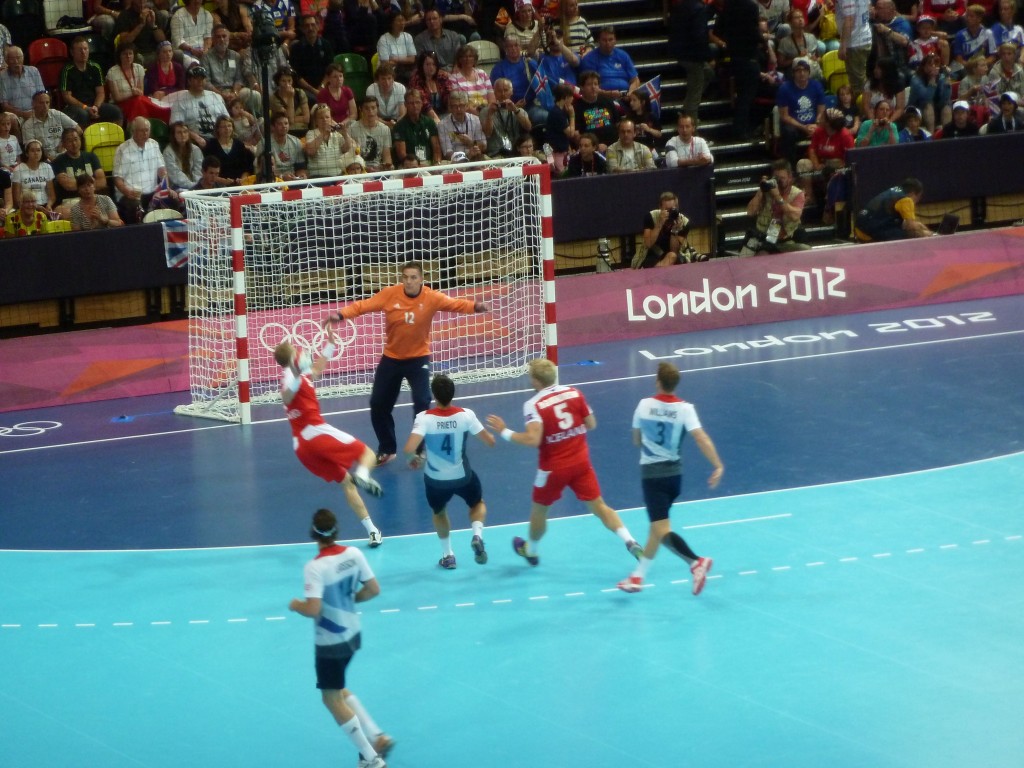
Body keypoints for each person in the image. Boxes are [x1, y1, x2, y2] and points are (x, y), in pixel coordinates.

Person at [485, 358, 643, 567]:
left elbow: (533, 439)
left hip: (552, 469)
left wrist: (505, 431)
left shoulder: (533, 405)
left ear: (535, 381)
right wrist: (569, 433)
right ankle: (630, 541)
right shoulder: (575, 393)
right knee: (601, 507)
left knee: (539, 511)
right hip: (581, 463)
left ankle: (530, 551)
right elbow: (592, 424)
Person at [329, 262, 488, 464]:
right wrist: (341, 314)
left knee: (422, 401)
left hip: (418, 359)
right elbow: (363, 306)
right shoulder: (390, 294)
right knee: (378, 404)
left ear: (421, 279)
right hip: (392, 359)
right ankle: (387, 449)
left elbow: (455, 304)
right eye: (405, 277)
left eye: (414, 277)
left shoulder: (431, 297)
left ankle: (421, 449)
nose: (409, 281)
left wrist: (476, 306)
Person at [287, 508, 392, 768]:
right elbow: (373, 589)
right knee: (339, 687)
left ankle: (371, 759)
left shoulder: (315, 567)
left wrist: (296, 605)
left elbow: (313, 609)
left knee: (330, 698)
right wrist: (350, 599)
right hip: (352, 635)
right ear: (336, 530)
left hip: (330, 643)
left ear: (314, 533)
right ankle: (377, 736)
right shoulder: (354, 554)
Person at [617, 363, 723, 595]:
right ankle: (638, 577)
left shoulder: (643, 405)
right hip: (675, 477)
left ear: (658, 381)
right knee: (657, 527)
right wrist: (717, 465)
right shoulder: (686, 409)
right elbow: (700, 437)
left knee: (662, 530)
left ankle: (696, 562)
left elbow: (636, 440)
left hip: (652, 477)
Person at [274, 325, 384, 544]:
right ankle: (363, 474)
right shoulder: (290, 377)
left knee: (347, 483)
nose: (302, 351)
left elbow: (315, 371)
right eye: (298, 350)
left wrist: (330, 345)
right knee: (368, 455)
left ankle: (372, 531)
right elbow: (286, 396)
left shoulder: (300, 374)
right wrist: (296, 374)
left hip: (302, 449)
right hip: (315, 433)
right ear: (294, 356)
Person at [402, 374, 495, 569]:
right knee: (477, 503)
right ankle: (477, 535)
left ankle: (448, 555)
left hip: (435, 480)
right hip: (462, 477)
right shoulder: (466, 415)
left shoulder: (424, 418)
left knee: (439, 512)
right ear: (452, 394)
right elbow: (490, 442)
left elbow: (409, 449)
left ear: (434, 396)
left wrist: (414, 460)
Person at [739, 158, 809, 255]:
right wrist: (761, 191)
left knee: (806, 251)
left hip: (784, 241)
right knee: (746, 257)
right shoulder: (766, 191)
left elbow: (795, 216)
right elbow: (750, 212)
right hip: (762, 238)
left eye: (782, 178)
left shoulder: (797, 193)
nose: (779, 181)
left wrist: (777, 196)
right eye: (776, 178)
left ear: (790, 177)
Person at [112, 116, 167, 222]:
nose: (145, 133)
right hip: (131, 195)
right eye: (141, 131)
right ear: (133, 131)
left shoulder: (154, 145)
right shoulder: (122, 149)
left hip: (152, 192)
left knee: (171, 200)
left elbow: (162, 170)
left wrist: (166, 188)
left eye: (147, 130)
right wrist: (127, 191)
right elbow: (117, 178)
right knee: (136, 208)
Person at [60, 37, 124, 128]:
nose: (83, 52)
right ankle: (85, 141)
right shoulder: (67, 70)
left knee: (116, 111)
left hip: (94, 104)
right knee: (83, 115)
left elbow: (101, 92)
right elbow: (67, 97)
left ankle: (117, 138)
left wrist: (96, 107)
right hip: (75, 107)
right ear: (72, 53)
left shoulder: (95, 67)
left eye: (85, 49)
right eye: (79, 50)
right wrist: (85, 107)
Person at [107, 42, 173, 125]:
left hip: (137, 100)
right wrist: (132, 93)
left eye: (130, 53)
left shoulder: (138, 68)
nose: (128, 56)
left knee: (142, 102)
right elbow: (117, 98)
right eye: (125, 54)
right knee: (138, 101)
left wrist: (136, 93)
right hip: (120, 104)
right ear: (119, 56)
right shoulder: (112, 72)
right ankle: (139, 126)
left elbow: (140, 92)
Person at [203, 25, 262, 118]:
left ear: (228, 38)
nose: (222, 39)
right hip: (216, 92)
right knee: (217, 99)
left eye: (224, 36)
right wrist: (221, 94)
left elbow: (239, 78)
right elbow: (206, 82)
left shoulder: (235, 56)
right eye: (218, 37)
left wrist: (234, 93)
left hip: (234, 91)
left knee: (255, 95)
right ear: (213, 40)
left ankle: (255, 123)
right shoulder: (206, 57)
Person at [776, 57, 827, 164]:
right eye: (798, 70)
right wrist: (803, 127)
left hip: (814, 124)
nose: (802, 73)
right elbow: (784, 116)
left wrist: (817, 124)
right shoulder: (784, 88)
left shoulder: (816, 85)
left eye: (805, 70)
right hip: (796, 126)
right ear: (793, 73)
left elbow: (821, 109)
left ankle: (824, 162)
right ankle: (791, 165)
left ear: (809, 72)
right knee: (788, 132)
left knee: (831, 123)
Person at [668, 0, 713, 121]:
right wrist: (709, 56)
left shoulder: (680, 5)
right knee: (695, 95)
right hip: (693, 56)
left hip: (680, 52)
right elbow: (699, 36)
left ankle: (685, 110)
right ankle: (692, 130)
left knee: (709, 73)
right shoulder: (699, 9)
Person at [854, 176, 935, 241]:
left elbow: (905, 223)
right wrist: (928, 234)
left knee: (901, 228)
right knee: (911, 235)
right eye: (919, 197)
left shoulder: (895, 191)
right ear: (913, 193)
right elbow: (911, 227)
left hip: (860, 227)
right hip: (868, 233)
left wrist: (919, 226)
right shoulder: (906, 200)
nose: (918, 201)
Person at [169, 66, 230, 148]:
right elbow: (176, 126)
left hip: (219, 138)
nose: (200, 81)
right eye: (196, 78)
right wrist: (195, 137)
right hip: (195, 141)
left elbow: (227, 120)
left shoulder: (215, 97)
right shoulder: (180, 101)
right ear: (189, 81)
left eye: (202, 78)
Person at [634, 190, 695, 268]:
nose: (670, 212)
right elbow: (648, 244)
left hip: (671, 254)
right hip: (652, 252)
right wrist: (659, 223)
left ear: (677, 207)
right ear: (660, 208)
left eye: (672, 209)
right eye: (667, 209)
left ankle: (656, 274)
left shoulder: (684, 222)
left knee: (672, 256)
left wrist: (675, 231)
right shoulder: (651, 217)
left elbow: (674, 250)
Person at [579, 26, 640, 102]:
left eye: (610, 39)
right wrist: (609, 93)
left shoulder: (623, 55)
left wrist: (630, 94)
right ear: (598, 41)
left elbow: (635, 80)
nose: (607, 43)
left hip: (625, 98)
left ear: (615, 40)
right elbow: (590, 88)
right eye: (604, 40)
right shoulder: (589, 59)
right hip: (602, 99)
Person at [52, 127, 107, 210]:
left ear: (80, 140)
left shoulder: (91, 157)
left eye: (76, 139)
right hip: (71, 200)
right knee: (61, 211)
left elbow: (102, 182)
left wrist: (76, 183)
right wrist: (90, 183)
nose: (74, 143)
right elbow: (69, 186)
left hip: (93, 198)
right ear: (63, 144)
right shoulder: (58, 161)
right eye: (70, 141)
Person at [21, 91, 81, 163]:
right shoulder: (28, 126)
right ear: (34, 104)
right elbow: (31, 150)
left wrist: (65, 142)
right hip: (44, 161)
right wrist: (54, 161)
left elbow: (79, 130)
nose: (45, 106)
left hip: (66, 156)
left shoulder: (56, 114)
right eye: (41, 103)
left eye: (47, 102)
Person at [481, 77, 532, 159]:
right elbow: (487, 133)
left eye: (506, 90)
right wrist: (490, 115)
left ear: (511, 92)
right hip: (496, 153)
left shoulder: (518, 110)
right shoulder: (486, 111)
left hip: (516, 152)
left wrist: (515, 110)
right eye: (499, 91)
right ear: (494, 92)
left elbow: (528, 127)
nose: (503, 94)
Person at [290, 14, 336, 102]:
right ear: (302, 29)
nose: (310, 28)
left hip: (325, 86)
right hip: (305, 89)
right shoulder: (296, 48)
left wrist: (322, 87)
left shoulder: (326, 45)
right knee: (312, 99)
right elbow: (297, 76)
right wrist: (314, 91)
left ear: (318, 26)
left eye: (313, 24)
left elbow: (330, 69)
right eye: (307, 26)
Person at [392, 89, 441, 167]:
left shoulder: (429, 122)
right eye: (411, 103)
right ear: (405, 104)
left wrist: (436, 164)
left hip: (429, 164)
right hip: (408, 165)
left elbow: (436, 148)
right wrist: (418, 166)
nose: (415, 106)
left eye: (417, 102)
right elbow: (401, 154)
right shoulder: (399, 126)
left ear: (422, 103)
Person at [835, 0, 874, 98]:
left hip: (855, 43)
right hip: (866, 38)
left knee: (858, 85)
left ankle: (863, 109)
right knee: (865, 79)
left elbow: (849, 19)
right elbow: (871, 10)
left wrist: (843, 45)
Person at [305, 102, 354, 177]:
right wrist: (324, 134)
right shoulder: (311, 133)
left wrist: (344, 134)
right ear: (316, 121)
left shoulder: (337, 134)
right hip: (318, 175)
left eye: (327, 117)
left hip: (338, 174)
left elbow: (346, 149)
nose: (324, 120)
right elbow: (310, 152)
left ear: (331, 119)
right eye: (321, 118)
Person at [203, 115, 255, 184]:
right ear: (218, 129)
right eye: (223, 127)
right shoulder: (211, 145)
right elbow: (207, 170)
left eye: (229, 126)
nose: (227, 129)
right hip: (217, 184)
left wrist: (242, 179)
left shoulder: (239, 144)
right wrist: (222, 181)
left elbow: (247, 167)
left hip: (239, 183)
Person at [0, 47, 46, 125]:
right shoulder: (2, 77)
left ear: (23, 58)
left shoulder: (33, 71)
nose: (16, 62)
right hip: (16, 115)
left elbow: (42, 96)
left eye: (18, 58)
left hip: (35, 111)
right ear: (6, 61)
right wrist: (23, 114)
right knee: (12, 120)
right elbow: (4, 105)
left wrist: (36, 111)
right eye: (12, 59)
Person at [257, 112, 309, 179]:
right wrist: (282, 177)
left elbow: (300, 167)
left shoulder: (296, 142)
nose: (284, 126)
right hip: (272, 180)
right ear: (272, 126)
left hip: (292, 179)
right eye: (280, 124)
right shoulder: (263, 143)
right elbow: (260, 171)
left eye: (286, 123)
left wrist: (301, 175)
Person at [438, 89, 486, 161]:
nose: (459, 109)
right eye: (455, 106)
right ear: (450, 108)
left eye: (462, 105)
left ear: (467, 106)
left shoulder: (475, 120)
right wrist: (465, 157)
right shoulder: (443, 124)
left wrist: (471, 143)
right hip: (455, 161)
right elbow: (447, 153)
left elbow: (484, 146)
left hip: (475, 158)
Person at [346, 99, 393, 171]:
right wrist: (365, 169)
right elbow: (350, 157)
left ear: (377, 109)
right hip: (359, 170)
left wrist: (386, 168)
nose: (370, 111)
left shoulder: (384, 129)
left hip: (378, 169)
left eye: (373, 108)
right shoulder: (352, 128)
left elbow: (387, 156)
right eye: (366, 108)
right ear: (360, 109)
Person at [12, 140, 56, 211]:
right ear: (27, 153)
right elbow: (17, 199)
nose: (36, 153)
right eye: (32, 151)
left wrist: (49, 205)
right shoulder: (18, 169)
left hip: (45, 206)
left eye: (38, 150)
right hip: (27, 207)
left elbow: (52, 196)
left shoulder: (47, 167)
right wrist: (36, 207)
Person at [408, 50, 452, 121]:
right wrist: (436, 120)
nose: (431, 67)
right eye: (428, 64)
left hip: (444, 114)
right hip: (424, 116)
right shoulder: (416, 80)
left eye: (433, 64)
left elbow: (449, 96)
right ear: (421, 65)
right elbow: (424, 103)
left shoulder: (442, 76)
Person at [163, 120, 205, 190]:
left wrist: (197, 185)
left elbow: (199, 169)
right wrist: (192, 186)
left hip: (196, 185)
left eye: (185, 132)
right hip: (176, 186)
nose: (183, 135)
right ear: (174, 135)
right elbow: (175, 174)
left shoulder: (196, 149)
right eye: (179, 132)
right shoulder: (168, 152)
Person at [377, 11, 417, 83]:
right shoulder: (383, 39)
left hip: (406, 70)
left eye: (403, 20)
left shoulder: (408, 36)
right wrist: (404, 60)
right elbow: (385, 63)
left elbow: (412, 59)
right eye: (398, 21)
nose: (402, 23)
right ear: (391, 23)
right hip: (389, 72)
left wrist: (395, 59)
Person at [365, 62, 407, 129]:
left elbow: (403, 113)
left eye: (389, 78)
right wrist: (386, 124)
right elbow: (371, 113)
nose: (387, 83)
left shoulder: (400, 88)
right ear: (378, 80)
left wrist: (396, 124)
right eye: (383, 79)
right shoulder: (371, 90)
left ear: (393, 78)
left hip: (397, 121)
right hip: (378, 121)